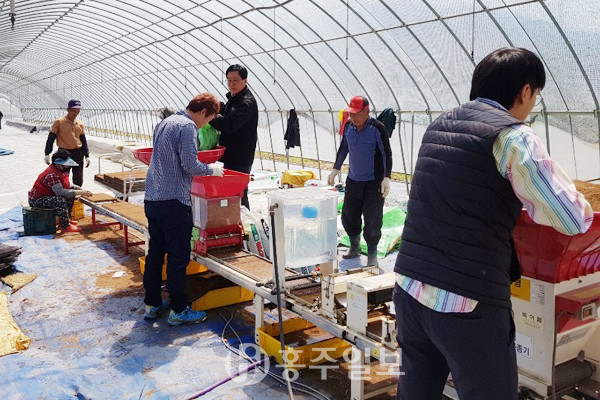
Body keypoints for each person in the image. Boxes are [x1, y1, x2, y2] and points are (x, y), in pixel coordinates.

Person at [393, 48, 593, 400]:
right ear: (526, 91)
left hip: (410, 288)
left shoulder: (439, 125)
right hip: (466, 301)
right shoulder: (513, 136)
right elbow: (571, 217)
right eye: (536, 95)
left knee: (417, 391)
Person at [143, 93, 224, 326]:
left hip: (153, 198)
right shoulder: (188, 127)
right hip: (174, 201)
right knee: (178, 257)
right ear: (203, 112)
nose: (205, 125)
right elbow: (189, 164)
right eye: (208, 120)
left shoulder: (165, 123)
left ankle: (152, 303)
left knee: (155, 253)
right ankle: (178, 309)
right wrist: (211, 170)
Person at [328, 96, 392, 267]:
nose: (353, 117)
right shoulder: (349, 126)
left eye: (357, 114)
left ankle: (372, 253)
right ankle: (354, 246)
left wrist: (387, 177)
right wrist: (336, 168)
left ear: (366, 111)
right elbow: (344, 147)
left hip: (373, 182)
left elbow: (386, 153)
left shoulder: (377, 128)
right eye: (351, 114)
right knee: (349, 216)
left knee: (372, 220)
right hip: (353, 180)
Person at [209, 64, 258, 210]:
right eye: (229, 80)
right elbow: (226, 111)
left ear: (245, 80)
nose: (232, 84)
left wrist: (209, 116)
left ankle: (244, 219)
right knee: (232, 191)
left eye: (236, 80)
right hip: (232, 154)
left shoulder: (246, 103)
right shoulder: (235, 99)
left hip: (241, 156)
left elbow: (229, 124)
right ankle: (234, 218)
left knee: (239, 192)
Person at [29, 149, 92, 233]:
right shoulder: (52, 174)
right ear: (58, 164)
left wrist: (80, 189)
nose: (68, 167)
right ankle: (65, 226)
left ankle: (66, 220)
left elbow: (67, 185)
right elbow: (60, 192)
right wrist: (80, 192)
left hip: (48, 195)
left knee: (71, 195)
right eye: (66, 165)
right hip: (37, 200)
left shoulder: (60, 171)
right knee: (60, 200)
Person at [44, 99, 90, 187]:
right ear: (68, 110)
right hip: (64, 153)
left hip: (78, 153)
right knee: (62, 176)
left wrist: (87, 155)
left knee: (78, 178)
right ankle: (63, 194)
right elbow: (51, 138)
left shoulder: (79, 124)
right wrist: (47, 153)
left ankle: (76, 194)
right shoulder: (59, 122)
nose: (75, 113)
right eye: (73, 110)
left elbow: (83, 140)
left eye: (78, 111)